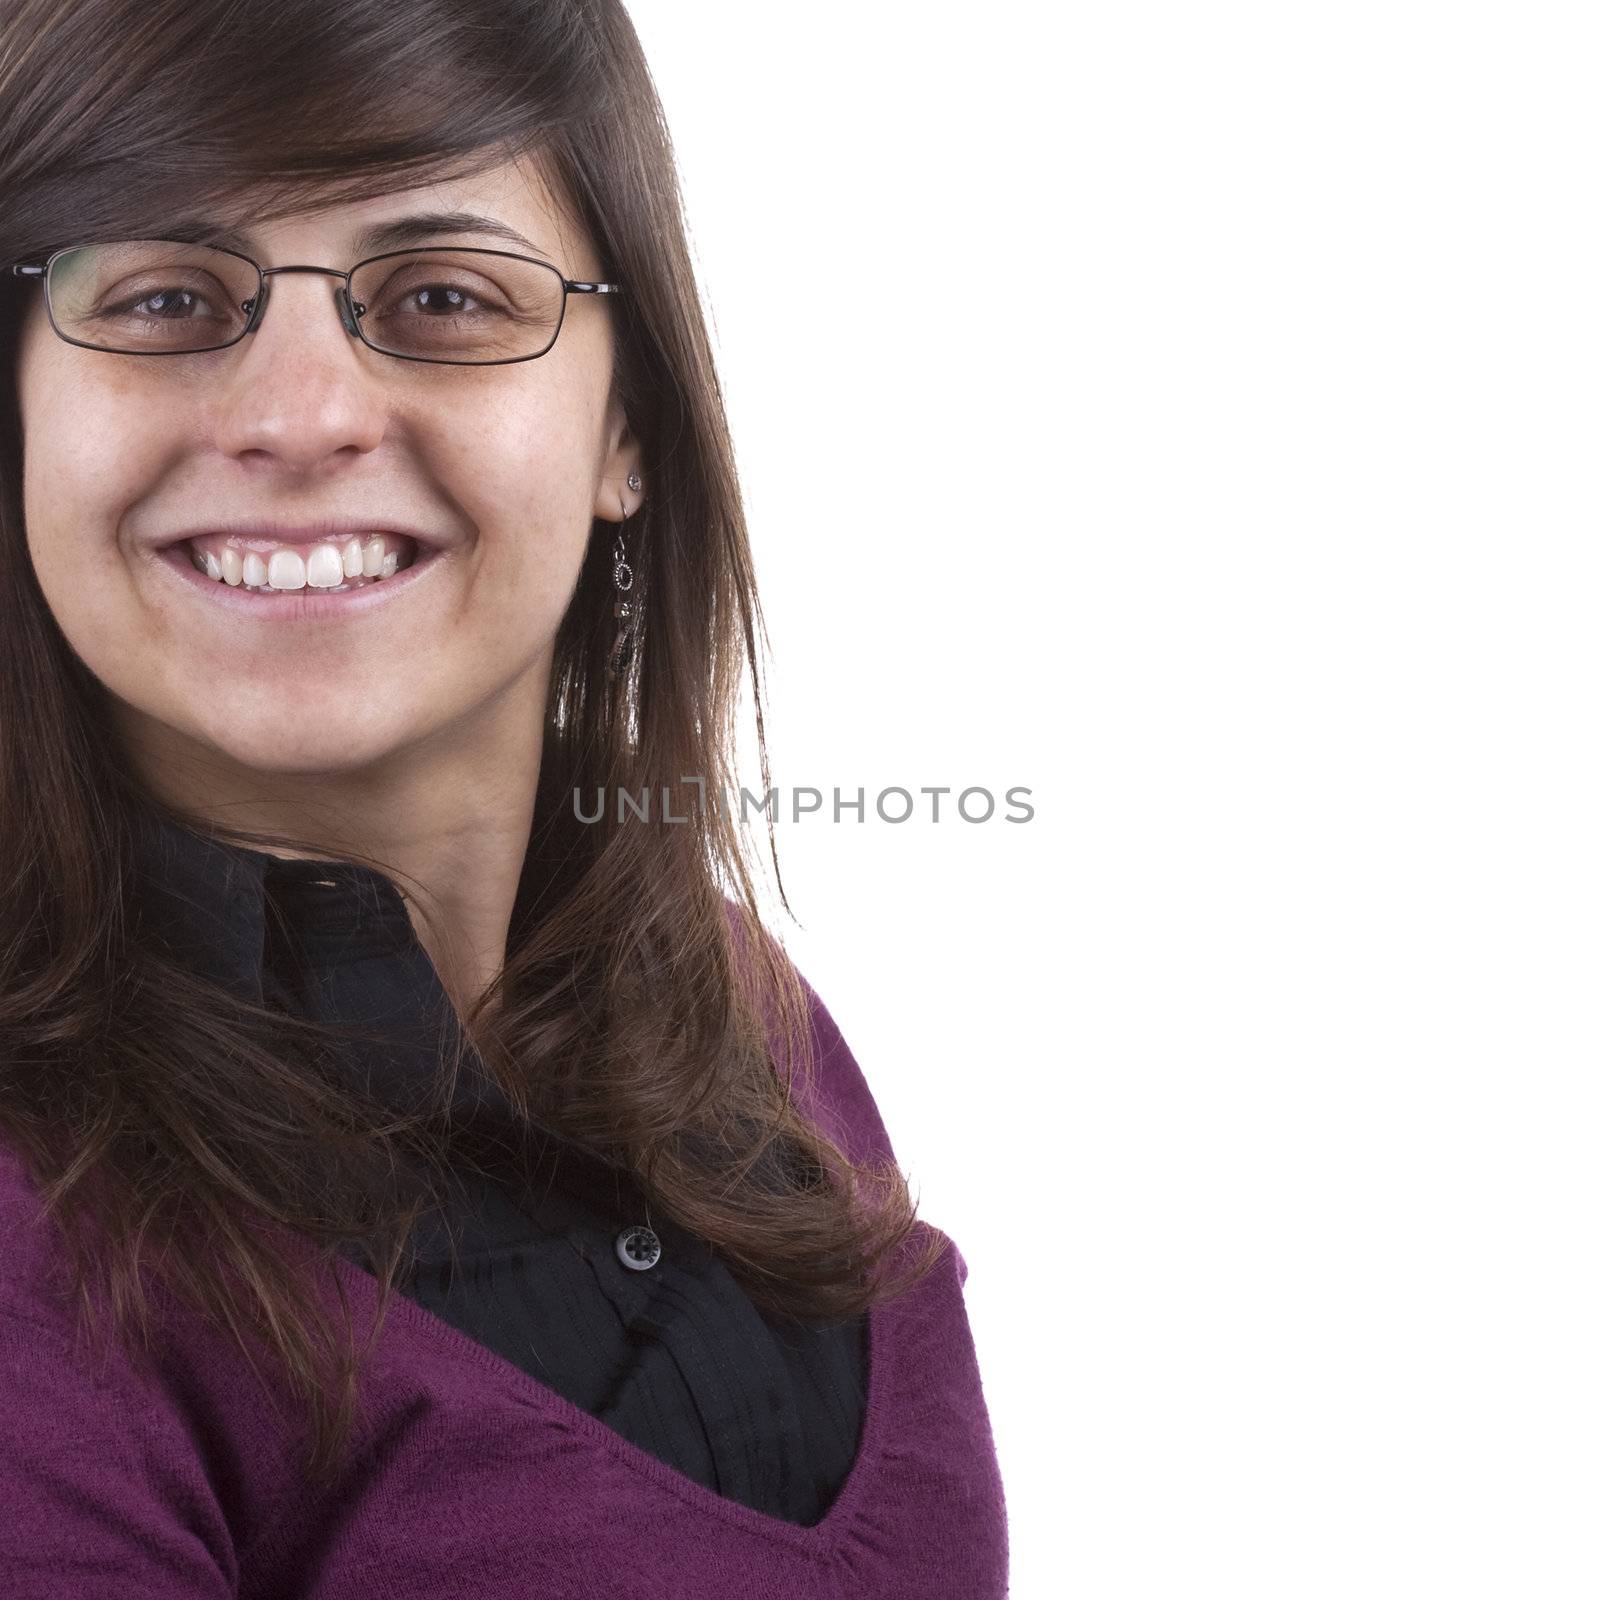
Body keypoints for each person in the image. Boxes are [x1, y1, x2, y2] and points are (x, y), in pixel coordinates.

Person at [0, 1, 1008, 1594]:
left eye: (445, 296)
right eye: (171, 298)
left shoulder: (746, 1015)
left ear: (629, 427)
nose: (301, 415)